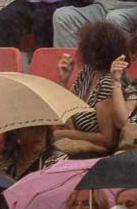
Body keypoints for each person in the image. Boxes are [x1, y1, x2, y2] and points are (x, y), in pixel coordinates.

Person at [53, 22, 132, 155]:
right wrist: (63, 80)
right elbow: (66, 114)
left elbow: (108, 140)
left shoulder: (109, 81)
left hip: (97, 153)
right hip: (77, 145)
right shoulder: (88, 71)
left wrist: (67, 134)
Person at [0, 125, 66, 180]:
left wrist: (3, 177)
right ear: (17, 133)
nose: (38, 132)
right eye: (31, 128)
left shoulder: (57, 159)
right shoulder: (9, 161)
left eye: (42, 127)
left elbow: (38, 196)